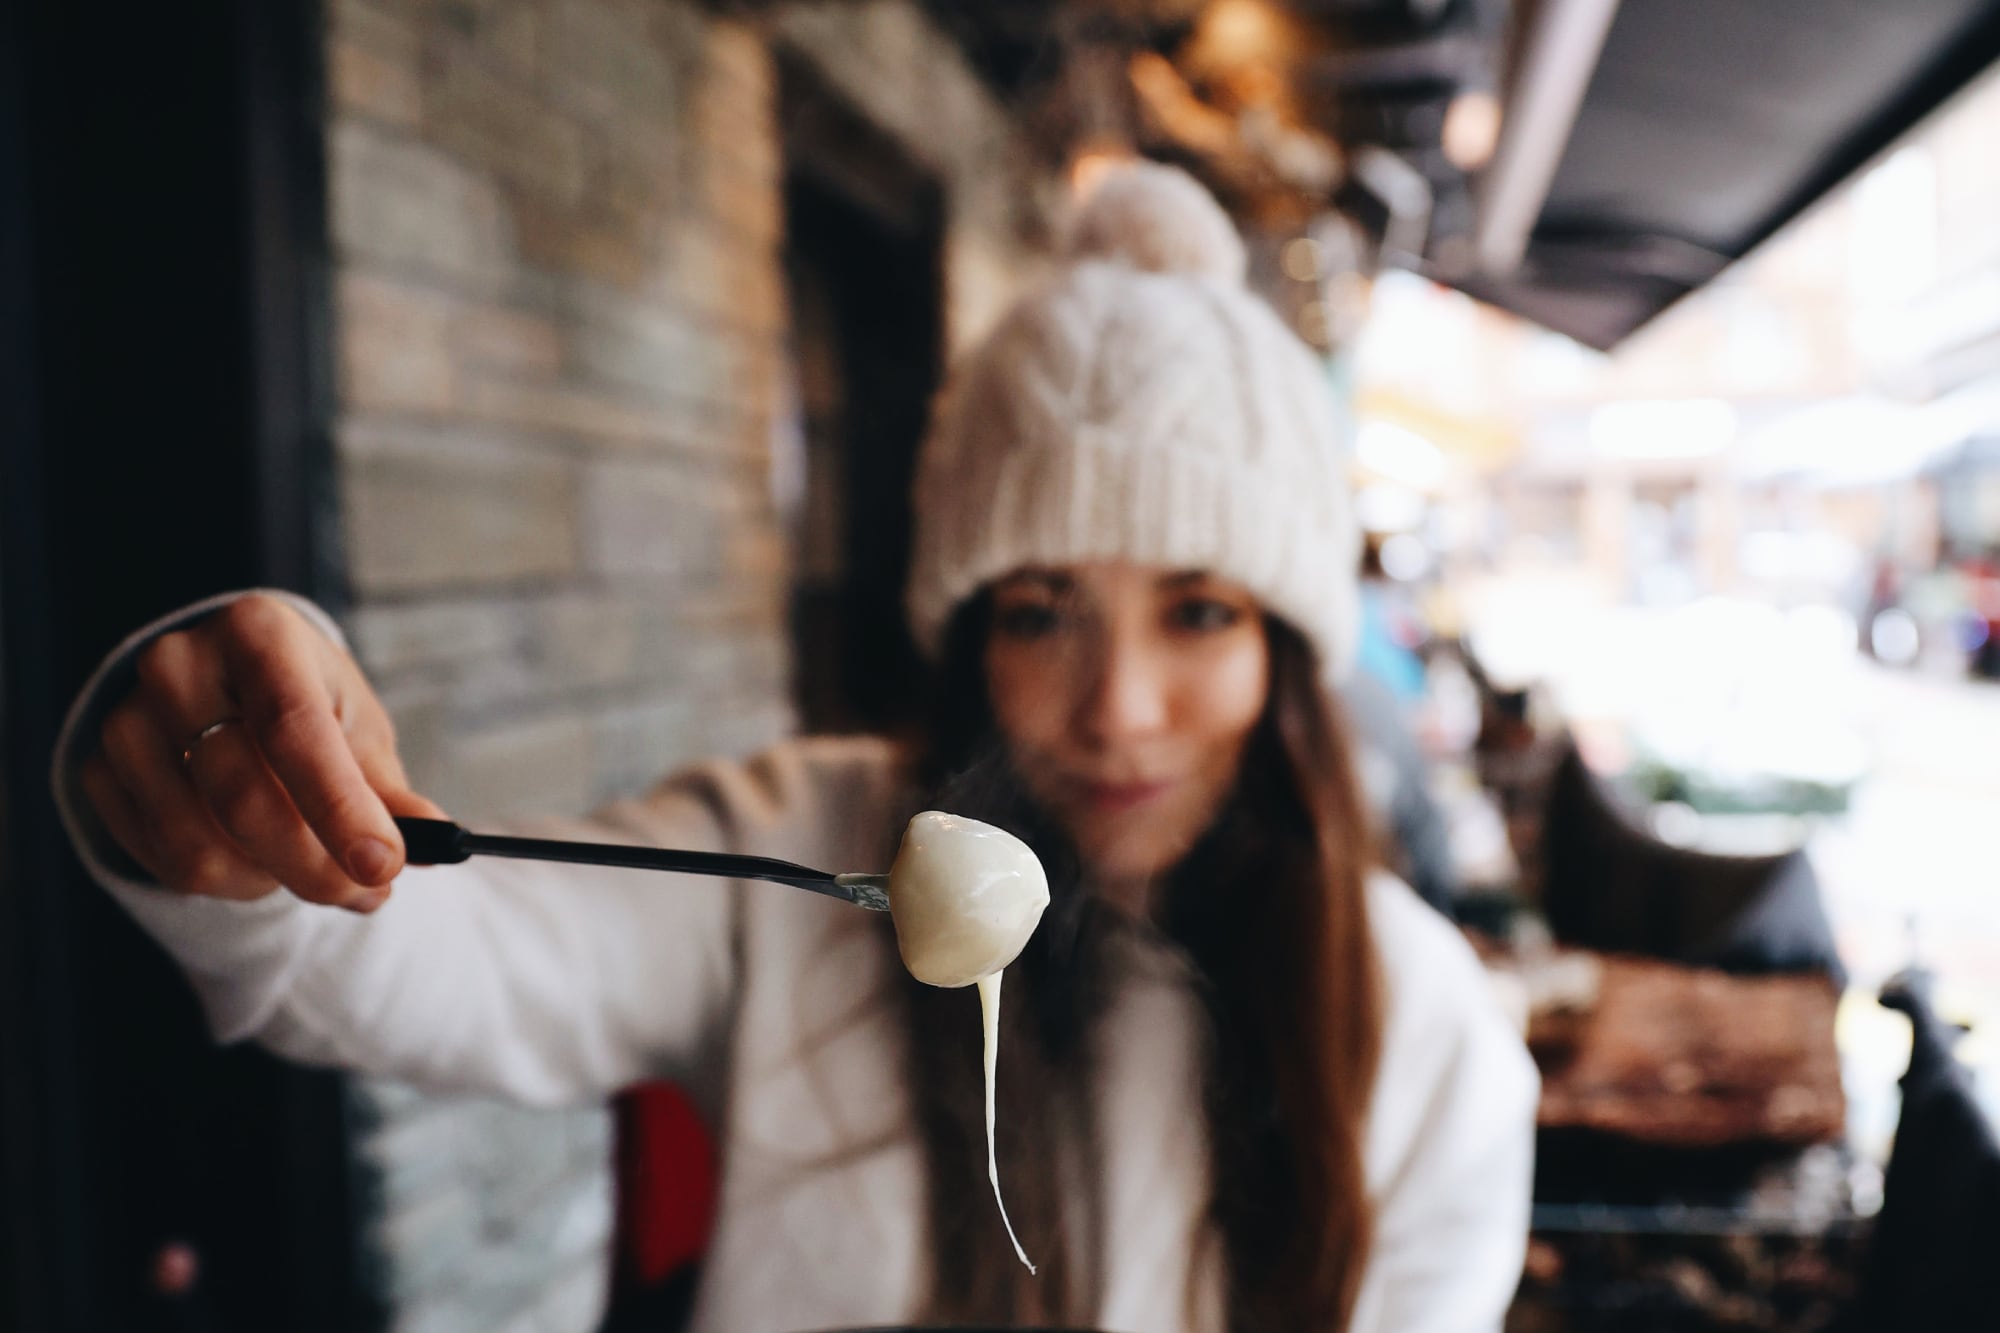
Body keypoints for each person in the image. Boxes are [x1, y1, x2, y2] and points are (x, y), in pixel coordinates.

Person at [53, 164, 1535, 1332]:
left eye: (1198, 612)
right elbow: (409, 960)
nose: (1119, 708)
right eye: (1042, 613)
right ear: (964, 639)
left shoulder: (1419, 1031)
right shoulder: (805, 855)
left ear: (1284, 655)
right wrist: (229, 799)